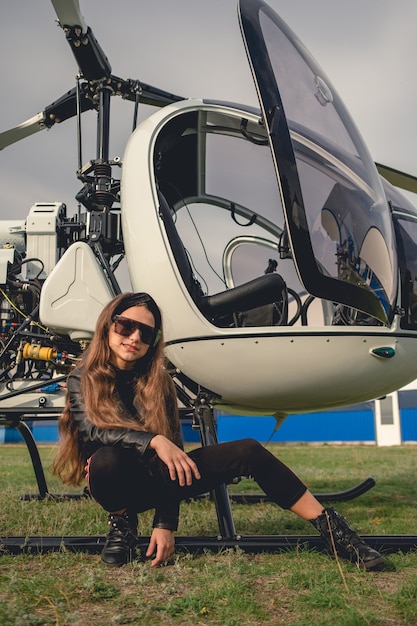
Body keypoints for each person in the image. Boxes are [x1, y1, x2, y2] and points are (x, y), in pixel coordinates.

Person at [53, 291, 384, 570]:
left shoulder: (158, 382)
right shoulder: (82, 378)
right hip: (116, 482)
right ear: (108, 326)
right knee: (107, 459)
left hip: (161, 480)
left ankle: (334, 532)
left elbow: (175, 462)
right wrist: (154, 441)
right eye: (126, 325)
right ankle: (122, 525)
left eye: (146, 333)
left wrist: (166, 524)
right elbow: (93, 431)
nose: (135, 337)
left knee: (248, 450)